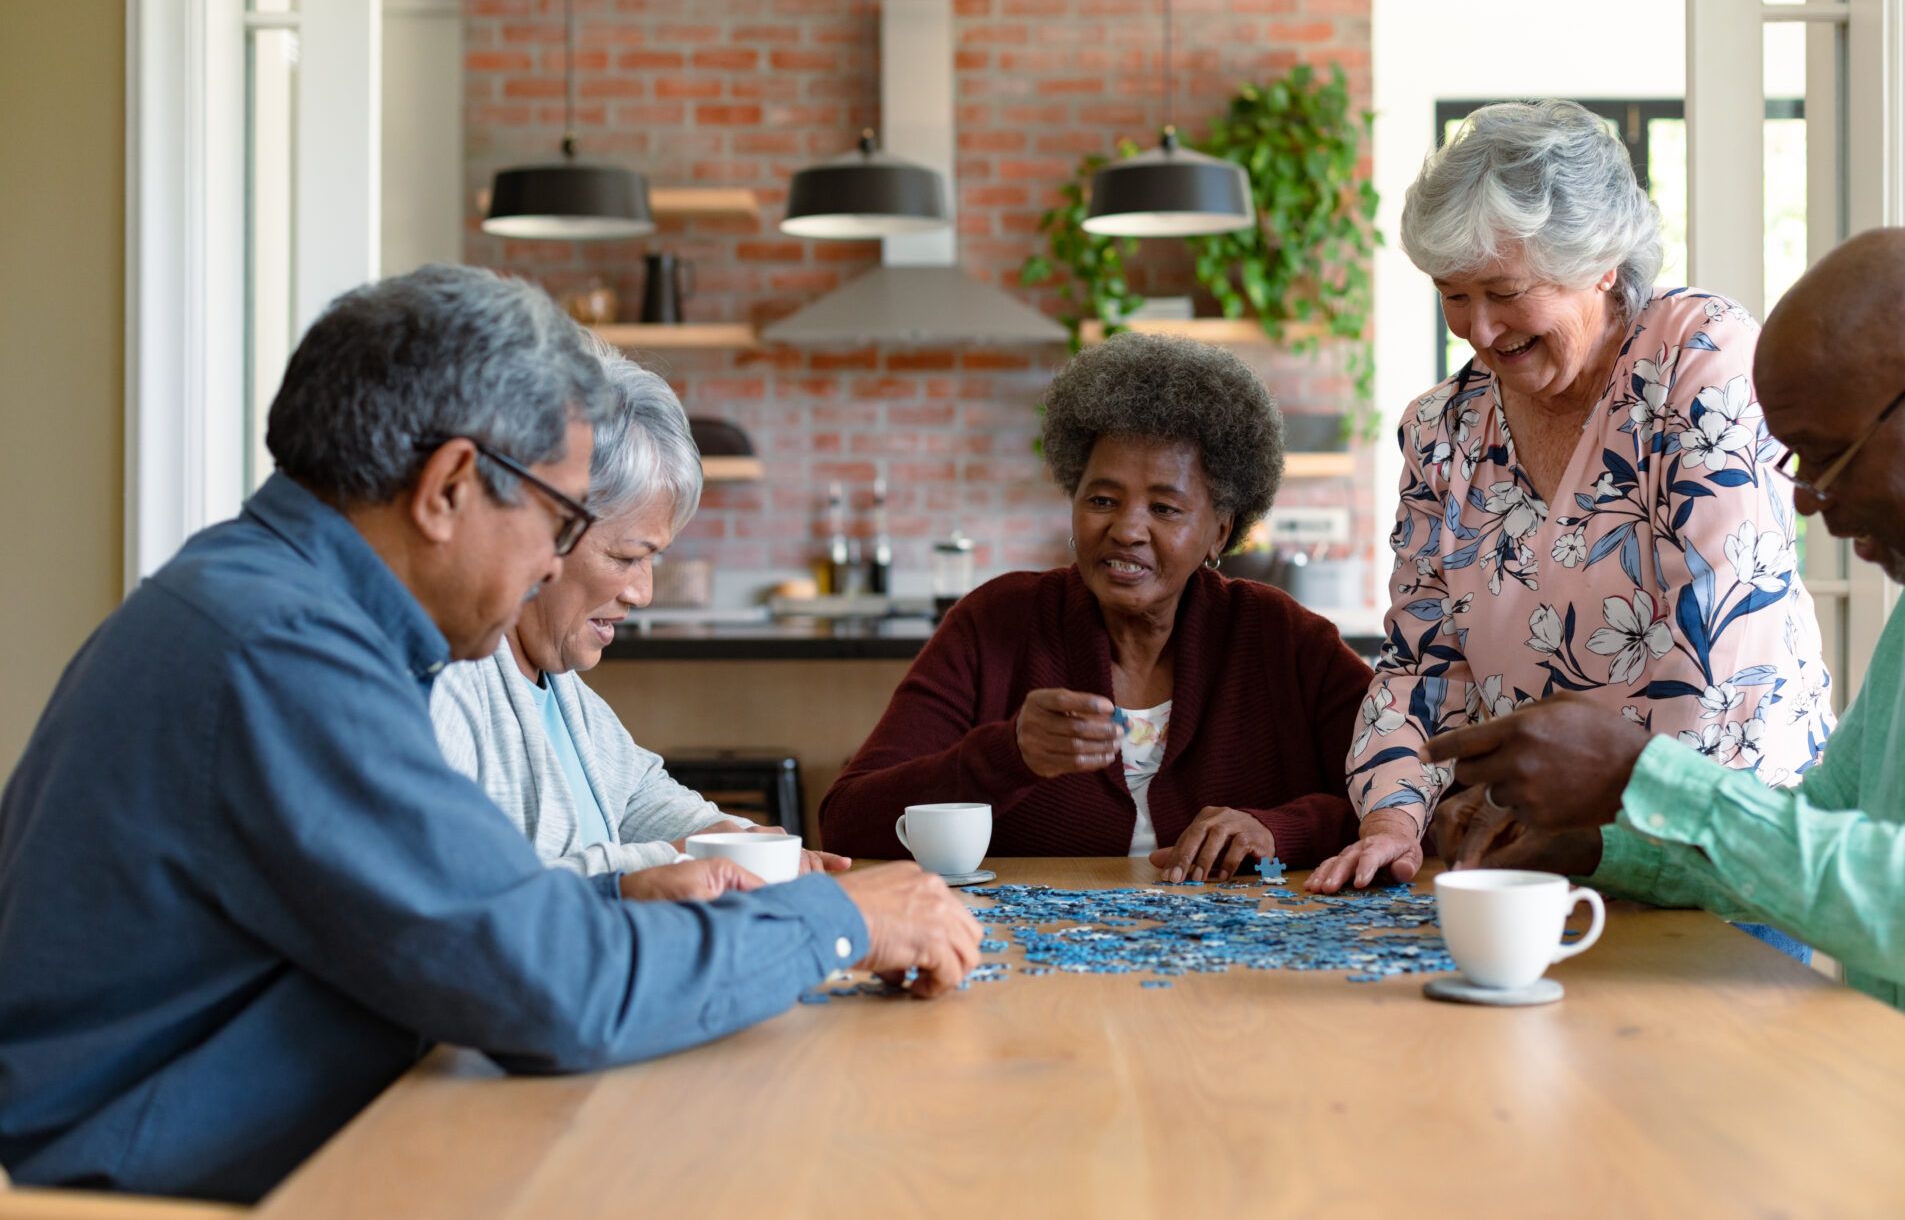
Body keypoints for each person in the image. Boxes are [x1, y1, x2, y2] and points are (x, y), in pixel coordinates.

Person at [0, 266, 981, 1203]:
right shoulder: (285, 652)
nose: (555, 567)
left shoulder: (268, 604)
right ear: (448, 487)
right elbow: (556, 995)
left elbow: (427, 923)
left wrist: (610, 887)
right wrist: (838, 923)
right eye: (560, 521)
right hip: (160, 1192)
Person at [1438, 229, 1905, 1080]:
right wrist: (1597, 848)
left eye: (1827, 458)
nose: (1802, 499)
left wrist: (1645, 775)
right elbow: (1823, 831)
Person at [1308, 99, 1833, 898]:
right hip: (1532, 858)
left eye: (1505, 290)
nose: (1478, 329)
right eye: (1453, 295)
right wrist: (1393, 820)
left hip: (1714, 850)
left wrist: (1597, 835)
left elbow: (1721, 649)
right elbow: (1422, 665)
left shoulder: (1699, 362)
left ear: (1602, 263)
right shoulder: (1442, 428)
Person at [819, 331, 1370, 879]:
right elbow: (848, 819)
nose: (1127, 529)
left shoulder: (1282, 637)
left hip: (1240, 952)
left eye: (1165, 507)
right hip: (1028, 948)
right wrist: (1007, 756)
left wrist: (1280, 829)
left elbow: (1409, 797)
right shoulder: (995, 622)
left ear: (1219, 532)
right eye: (1102, 500)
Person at [432, 339, 849, 885]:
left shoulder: (562, 691)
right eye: (627, 557)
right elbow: (495, 901)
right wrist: (679, 862)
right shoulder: (449, 683)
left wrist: (729, 836)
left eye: (654, 559)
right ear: (540, 521)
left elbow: (636, 797)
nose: (643, 593)